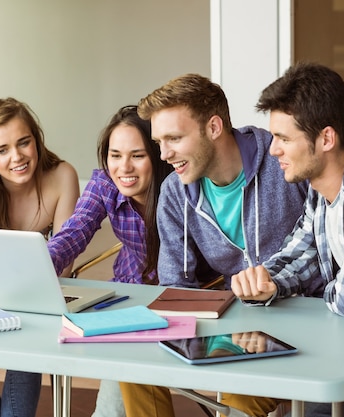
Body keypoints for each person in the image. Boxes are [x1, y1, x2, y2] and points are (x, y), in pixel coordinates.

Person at [118, 73, 310, 417]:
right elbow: (176, 283)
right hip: (237, 329)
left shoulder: (283, 160)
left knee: (240, 397)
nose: (164, 154)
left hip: (303, 323)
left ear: (214, 127)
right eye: (159, 142)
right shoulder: (176, 191)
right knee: (134, 371)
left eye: (174, 138)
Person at [231, 62, 344, 416]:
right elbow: (301, 252)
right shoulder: (324, 184)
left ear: (326, 139)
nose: (273, 151)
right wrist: (268, 282)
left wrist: (325, 289)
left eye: (283, 138)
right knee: (241, 384)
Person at [0, 97, 79, 417]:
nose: (17, 157)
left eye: (24, 143)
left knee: (30, 324)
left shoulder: (62, 176)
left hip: (38, 300)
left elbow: (66, 257)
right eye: (2, 149)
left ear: (37, 140)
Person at [47, 105, 173, 416]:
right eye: (115, 155)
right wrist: (41, 264)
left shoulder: (179, 187)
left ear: (157, 155)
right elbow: (74, 230)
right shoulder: (104, 182)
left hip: (185, 297)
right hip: (129, 296)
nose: (124, 167)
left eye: (137, 155)